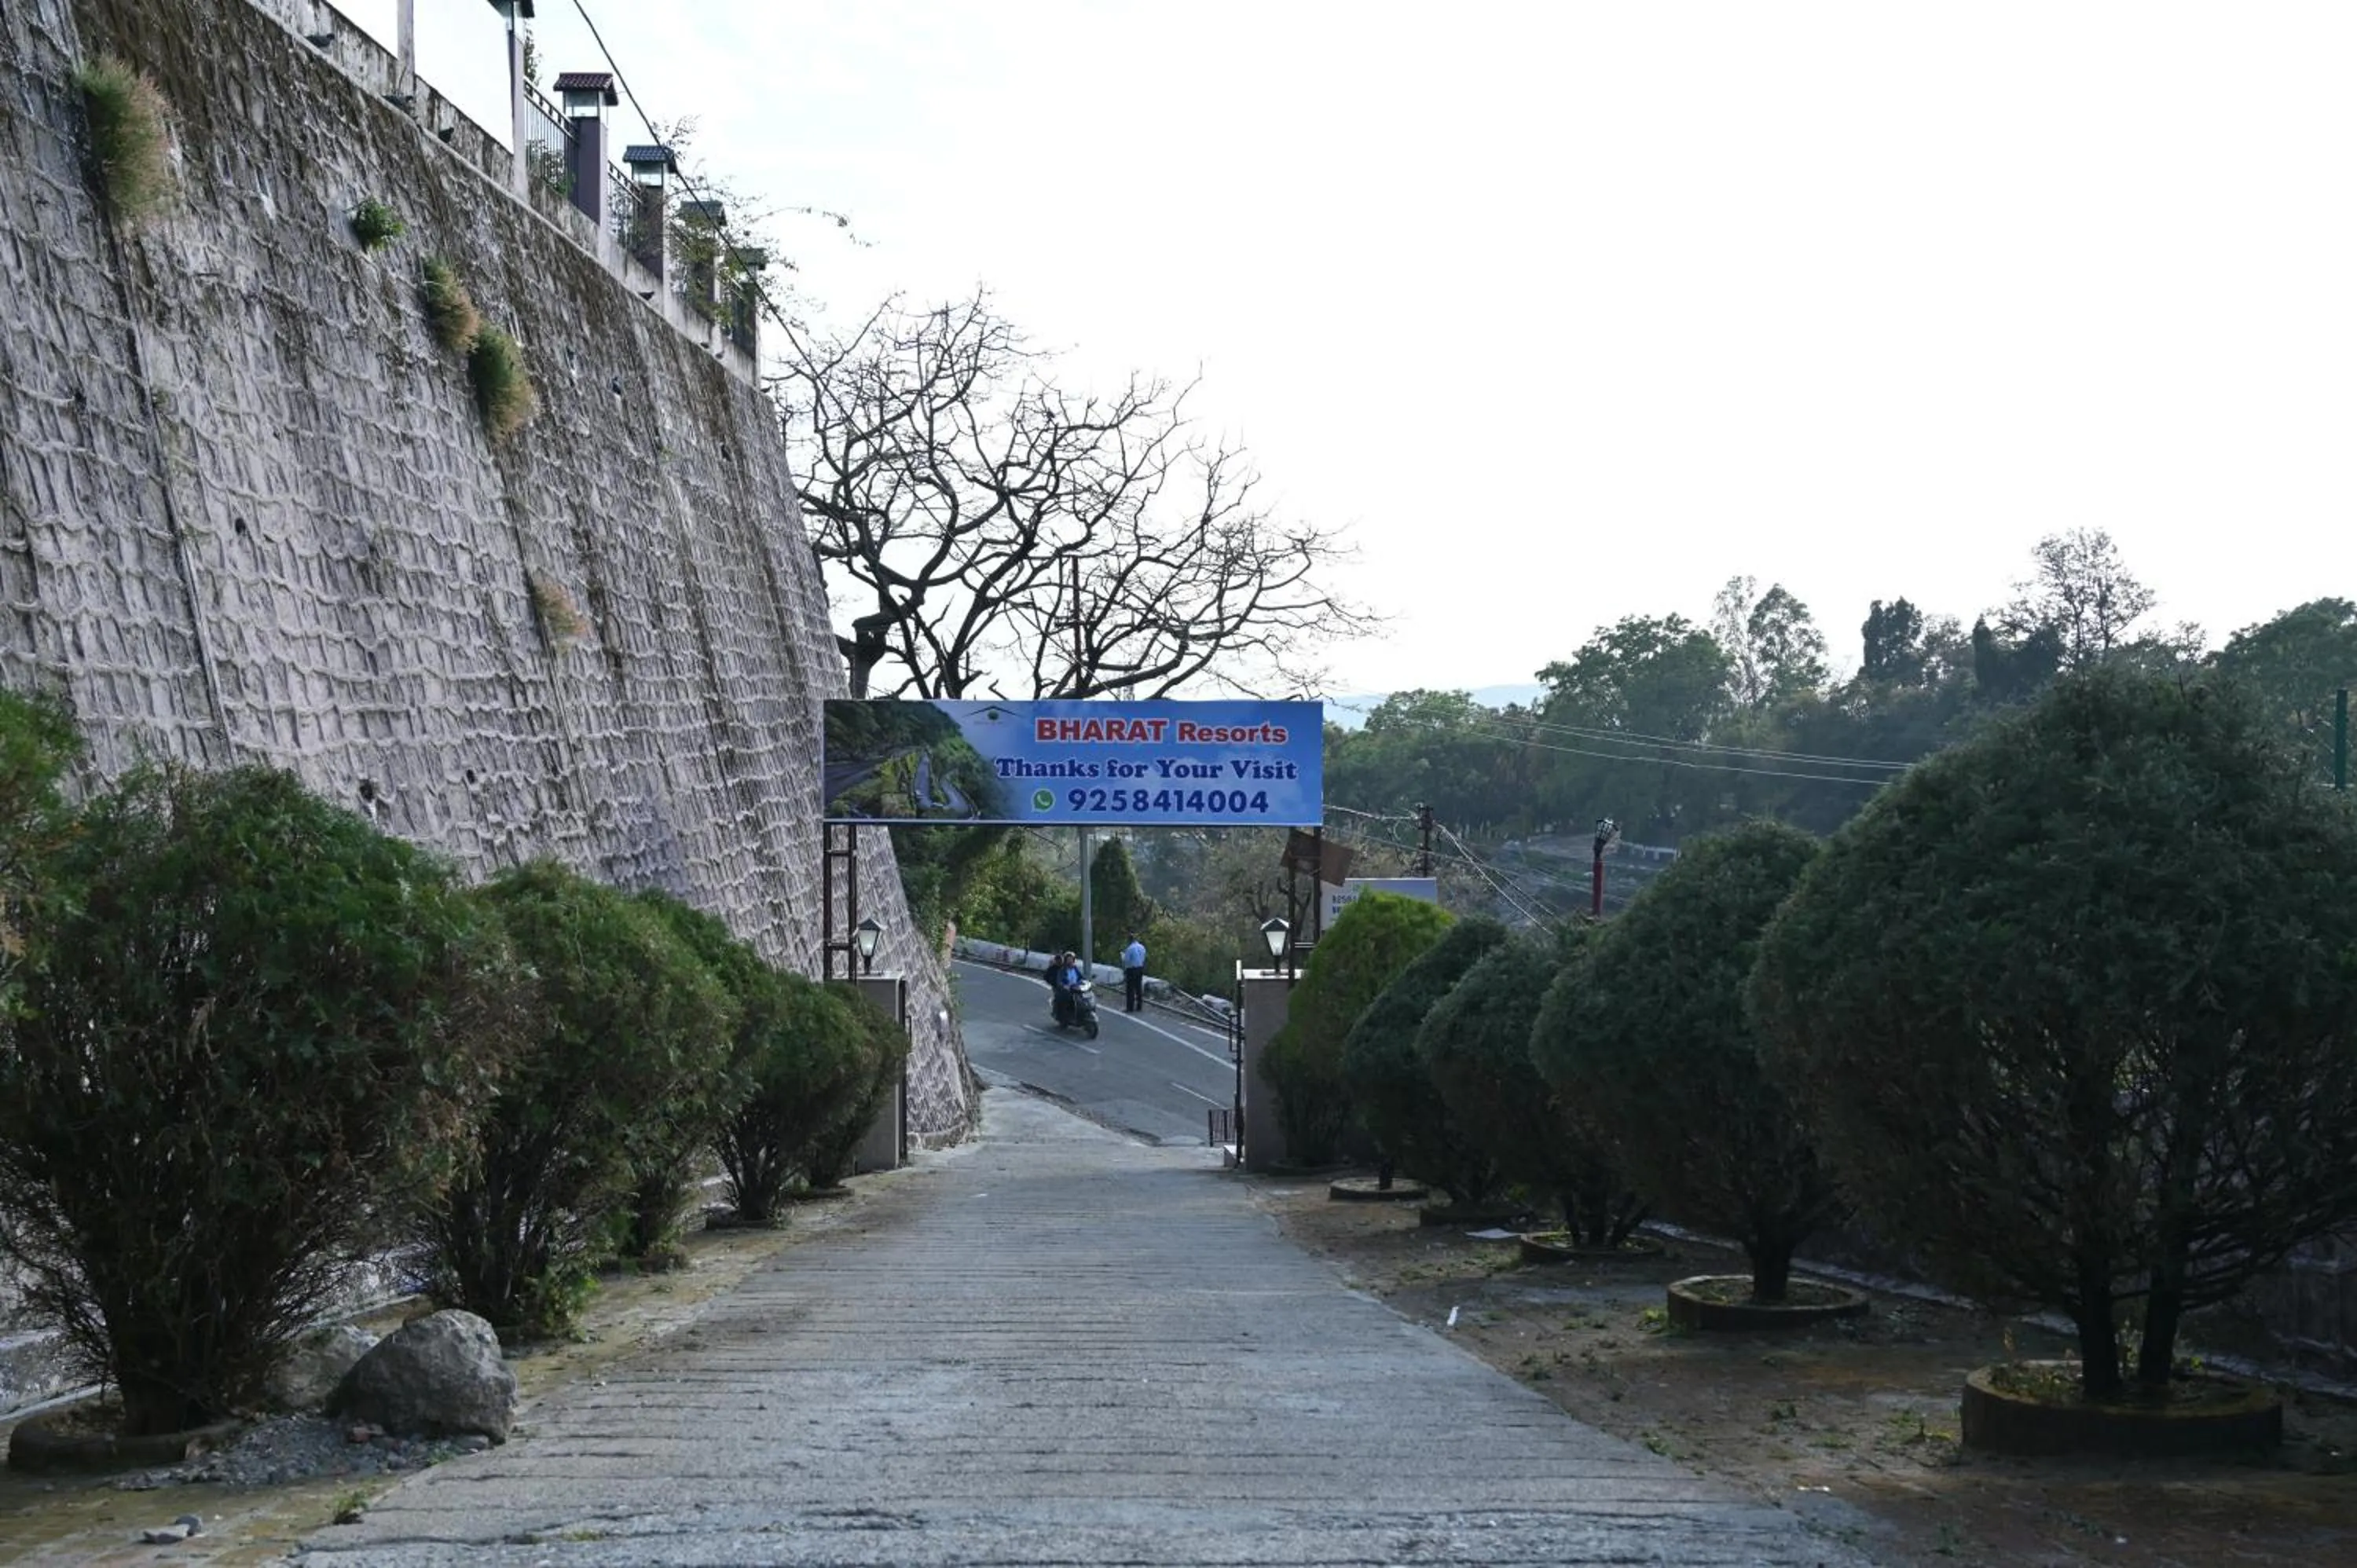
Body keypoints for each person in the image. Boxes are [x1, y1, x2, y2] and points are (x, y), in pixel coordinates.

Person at [1047, 949, 1083, 1025]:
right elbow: (1059, 981)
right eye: (1068, 959)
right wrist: (1064, 986)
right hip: (1067, 990)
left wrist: (1088, 982)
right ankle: (1068, 1016)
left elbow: (1081, 977)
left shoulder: (1075, 969)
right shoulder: (1062, 970)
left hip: (1076, 989)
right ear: (1066, 960)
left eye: (1072, 959)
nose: (1070, 961)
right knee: (1069, 1000)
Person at [1120, 932, 1148, 1013]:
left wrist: (1123, 958)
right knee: (1138, 988)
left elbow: (1127, 961)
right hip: (1140, 968)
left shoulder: (1129, 949)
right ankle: (1139, 1006)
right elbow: (1143, 958)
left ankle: (1130, 1007)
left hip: (1131, 969)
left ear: (1129, 940)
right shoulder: (1142, 947)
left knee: (1130, 989)